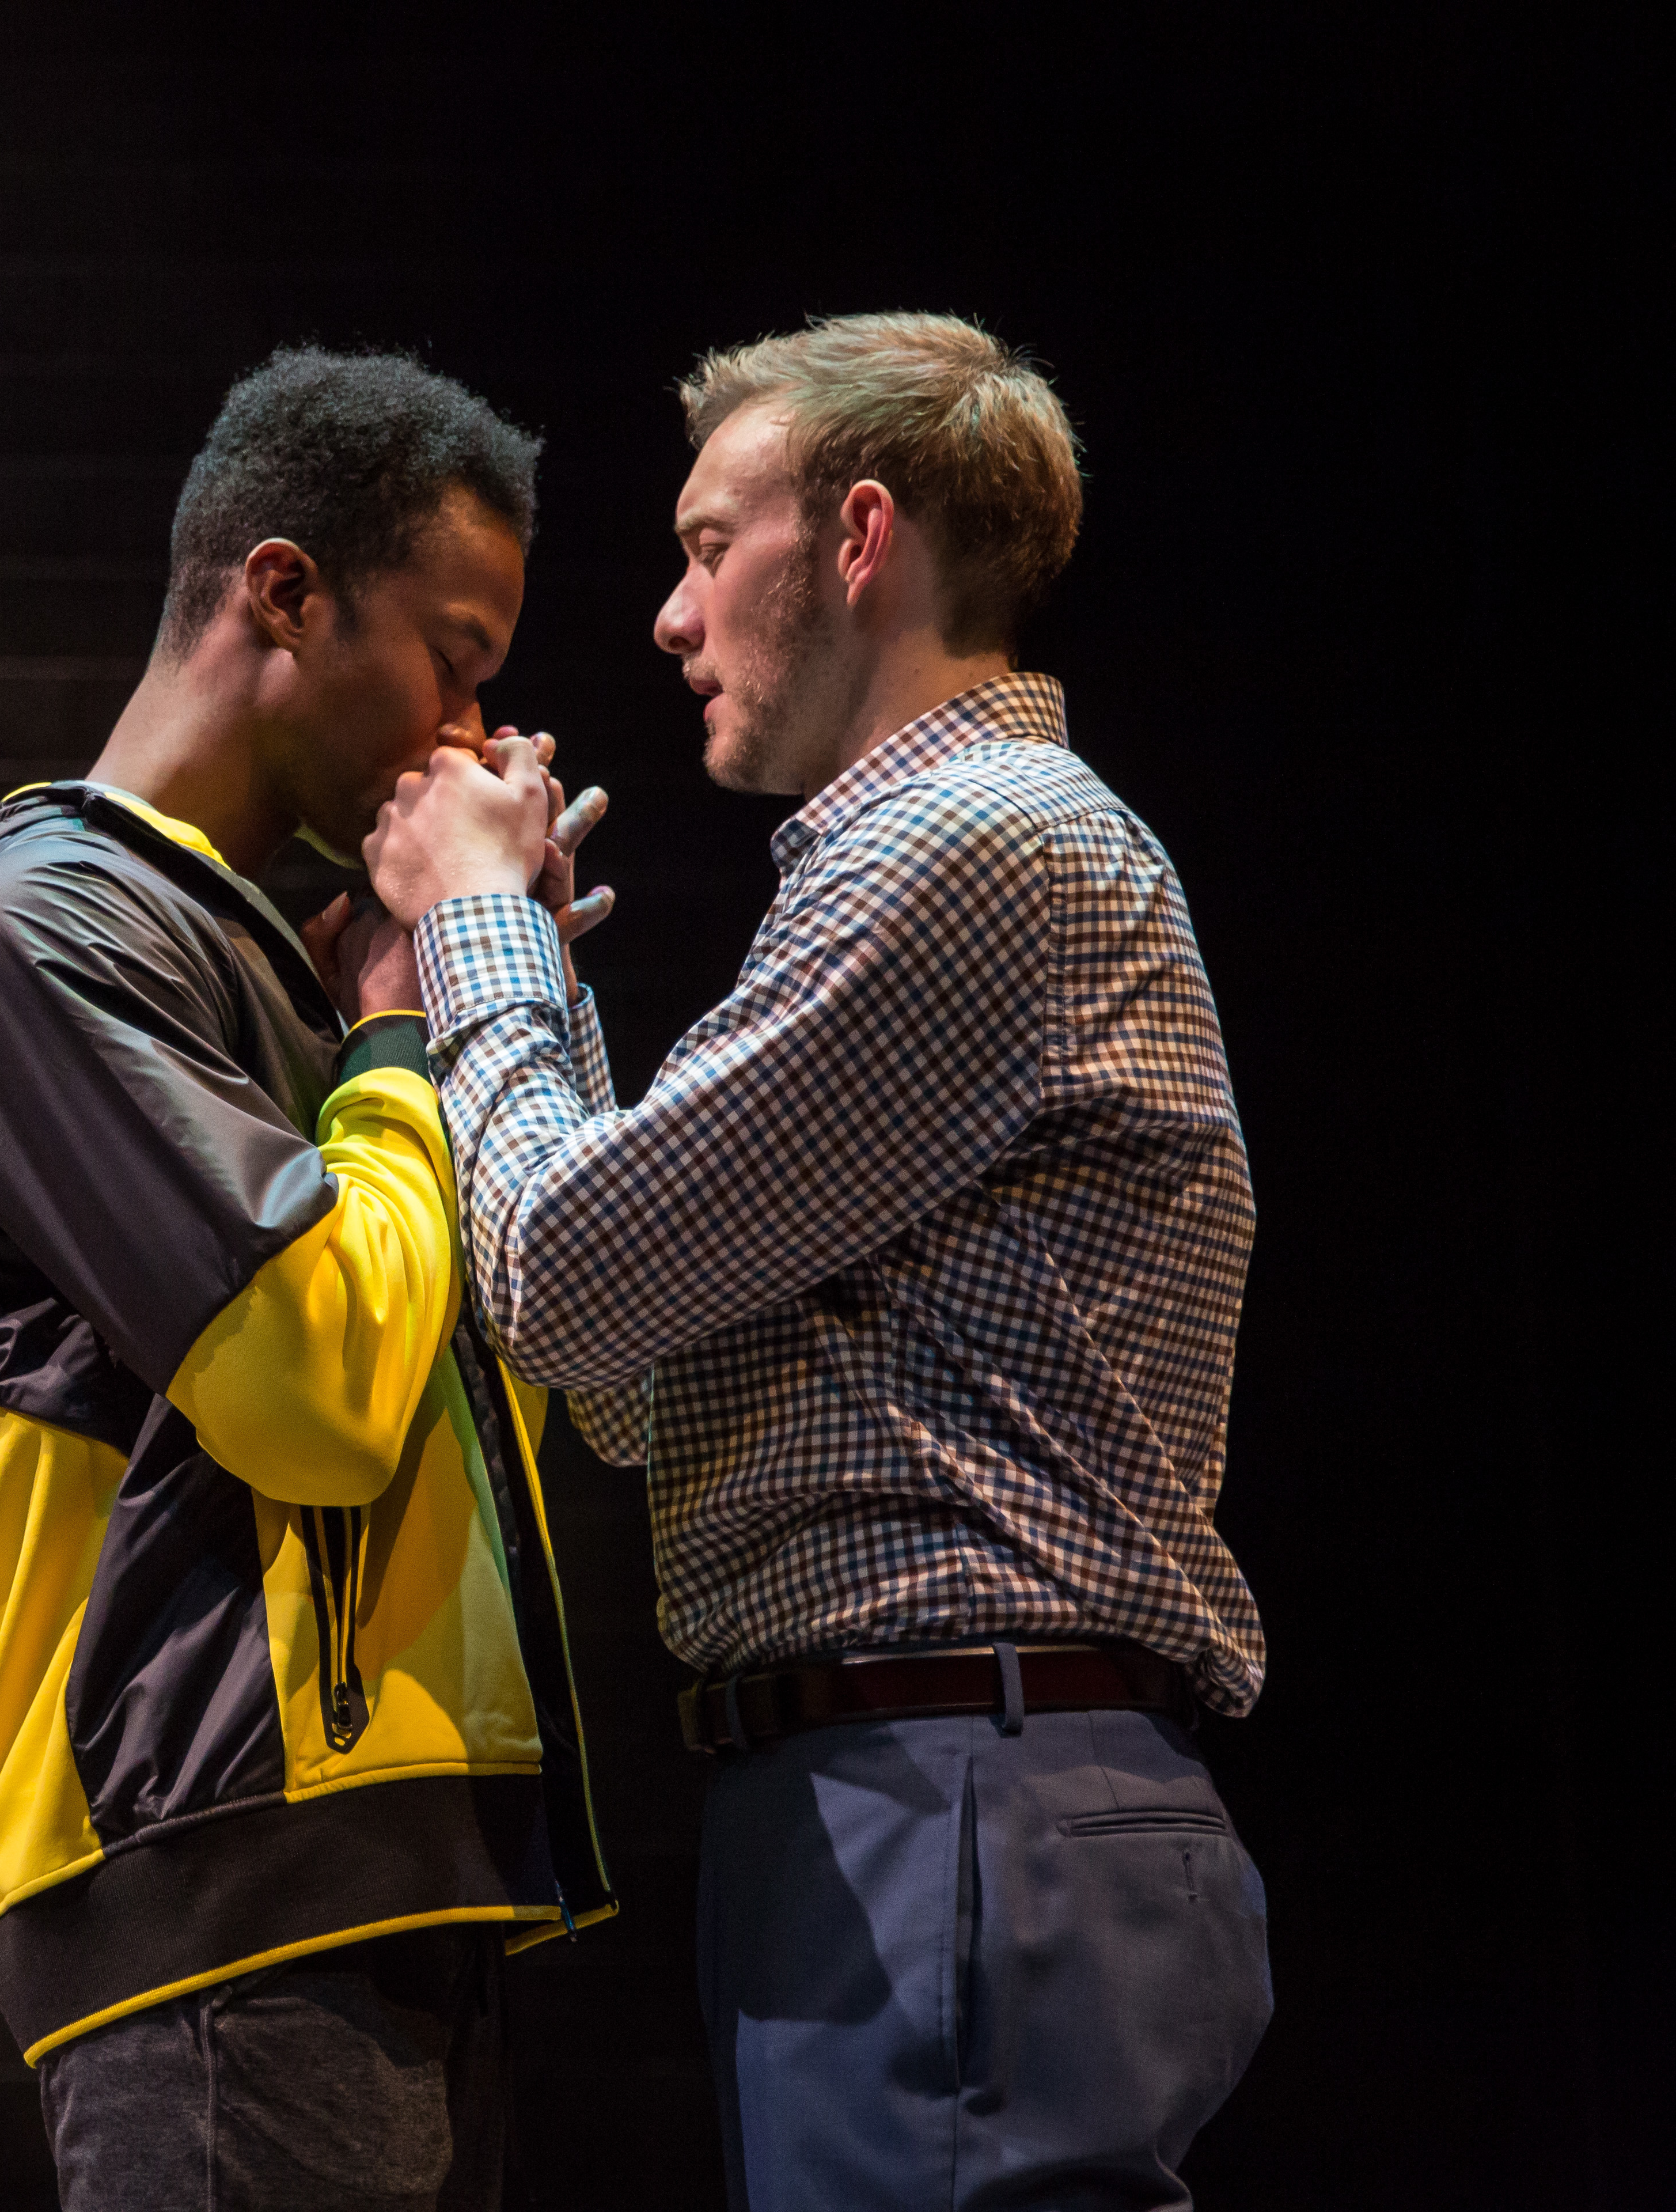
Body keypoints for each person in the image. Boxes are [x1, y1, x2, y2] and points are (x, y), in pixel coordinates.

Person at [357, 313, 1273, 2209]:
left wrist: (468, 941)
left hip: (959, 1789)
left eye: (709, 547)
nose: (673, 620)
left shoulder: (968, 844)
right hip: (914, 1796)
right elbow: (626, 1382)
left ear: (860, 540)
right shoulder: (906, 871)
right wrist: (534, 973)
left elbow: (568, 1286)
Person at [0, 348, 617, 2211]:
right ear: (283, 592)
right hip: (209, 1878)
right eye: (453, 654)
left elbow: (511, 1371)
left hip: (371, 1875)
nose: (468, 730)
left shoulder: (273, 953)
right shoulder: (41, 924)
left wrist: (501, 1006)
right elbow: (317, 1388)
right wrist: (395, 1027)